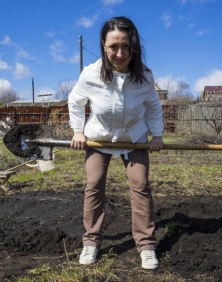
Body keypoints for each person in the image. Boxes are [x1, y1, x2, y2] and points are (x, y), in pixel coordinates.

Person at [68, 16, 164, 270]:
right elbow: (75, 101)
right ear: (103, 45)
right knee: (94, 184)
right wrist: (78, 131)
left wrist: (158, 135)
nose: (120, 53)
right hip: (99, 138)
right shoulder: (90, 74)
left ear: (134, 46)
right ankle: (91, 242)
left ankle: (146, 245)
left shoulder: (143, 76)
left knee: (140, 185)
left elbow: (153, 107)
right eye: (113, 47)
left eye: (125, 46)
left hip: (135, 139)